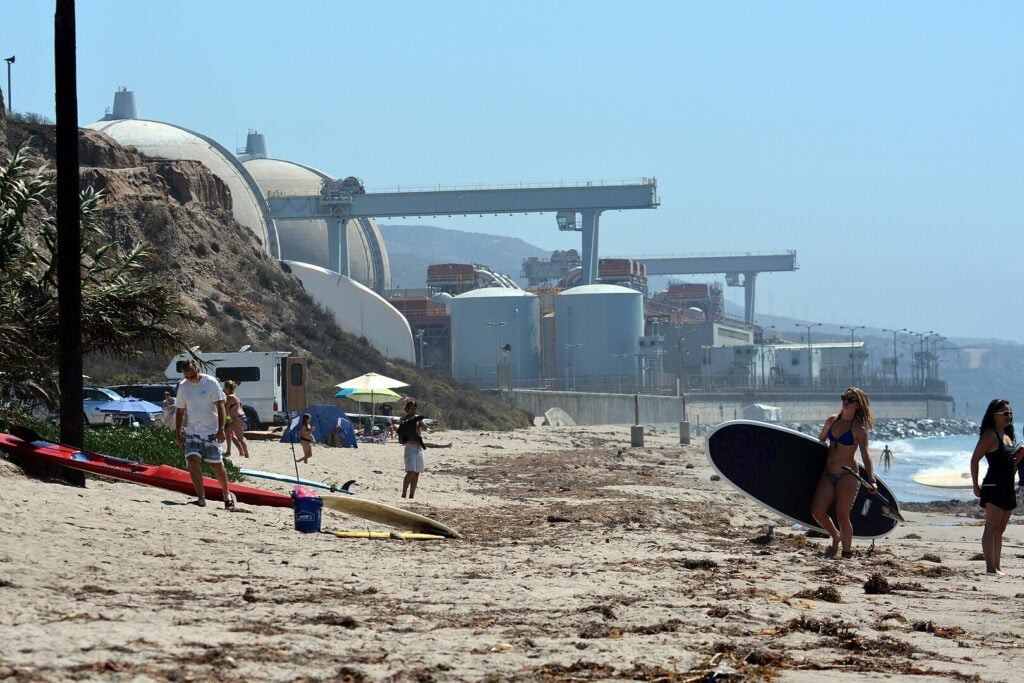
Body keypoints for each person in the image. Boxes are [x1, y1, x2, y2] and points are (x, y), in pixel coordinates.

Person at [811, 387, 877, 559]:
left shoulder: (858, 429)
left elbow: (866, 455)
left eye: (851, 399)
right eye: (844, 397)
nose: (846, 401)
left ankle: (847, 554)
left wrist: (872, 479)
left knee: (842, 515)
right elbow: (820, 443)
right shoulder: (832, 420)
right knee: (817, 511)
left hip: (847, 475)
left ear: (859, 406)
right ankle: (835, 536)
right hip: (828, 473)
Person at [970, 399, 1024, 575]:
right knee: (991, 526)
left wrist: (1019, 457)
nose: (1009, 416)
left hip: (1008, 486)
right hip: (993, 485)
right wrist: (975, 485)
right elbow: (975, 459)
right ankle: (990, 568)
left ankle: (997, 566)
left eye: (1010, 413)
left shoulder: (1008, 436)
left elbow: (1010, 466)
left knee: (1000, 529)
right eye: (1005, 413)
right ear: (994, 416)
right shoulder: (990, 436)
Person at [174, 359, 233, 509]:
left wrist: (221, 429)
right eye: (187, 377)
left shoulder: (211, 382)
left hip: (211, 430)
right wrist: (178, 433)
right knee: (192, 461)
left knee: (216, 465)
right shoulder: (183, 386)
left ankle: (226, 496)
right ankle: (201, 498)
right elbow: (180, 410)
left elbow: (220, 406)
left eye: (192, 376)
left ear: (198, 371)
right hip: (193, 430)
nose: (190, 379)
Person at [222, 380, 249, 459]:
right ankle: (242, 452)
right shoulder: (235, 395)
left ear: (227, 387)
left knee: (240, 437)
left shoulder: (230, 397)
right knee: (228, 433)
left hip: (237, 417)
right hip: (240, 416)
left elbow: (226, 410)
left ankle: (246, 454)